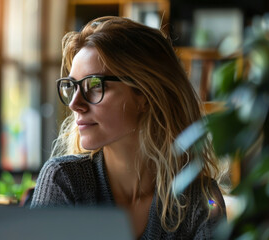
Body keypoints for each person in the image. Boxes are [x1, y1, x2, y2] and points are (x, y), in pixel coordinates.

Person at [30, 16, 226, 239]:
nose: (75, 104)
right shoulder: (64, 182)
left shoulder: (200, 199)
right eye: (72, 87)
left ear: (144, 93)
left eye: (95, 85)